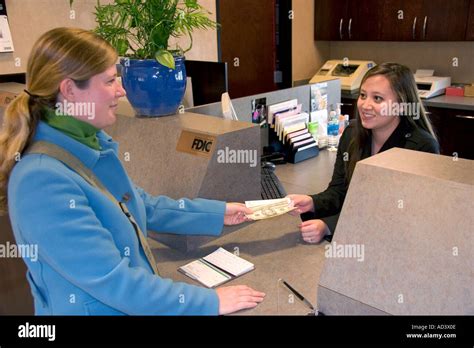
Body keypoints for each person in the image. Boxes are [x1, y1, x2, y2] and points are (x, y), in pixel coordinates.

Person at [0, 27, 265, 315]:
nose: (121, 90)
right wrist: (209, 302)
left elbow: (141, 205)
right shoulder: (40, 180)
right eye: (110, 80)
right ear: (70, 90)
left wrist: (217, 213)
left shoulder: (87, 143)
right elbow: (117, 283)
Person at [288, 63, 440, 244]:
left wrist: (330, 225)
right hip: (354, 235)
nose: (365, 105)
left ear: (401, 106)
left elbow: (399, 214)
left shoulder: (420, 146)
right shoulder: (352, 134)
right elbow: (340, 191)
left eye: (377, 98)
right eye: (362, 95)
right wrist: (312, 202)